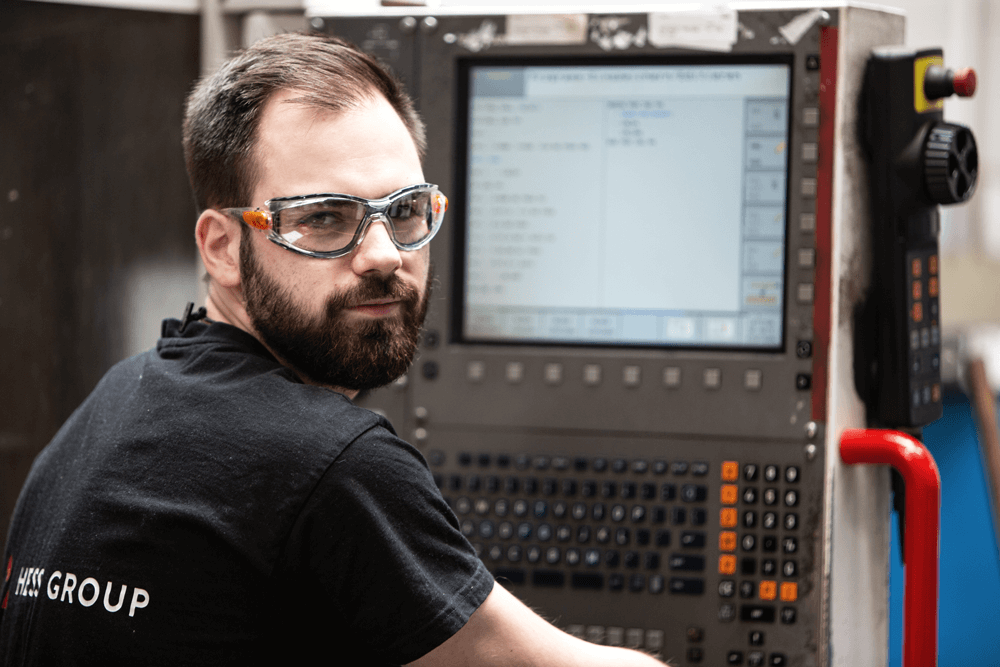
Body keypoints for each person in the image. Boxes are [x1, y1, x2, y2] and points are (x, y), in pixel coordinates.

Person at [0, 33, 664, 666]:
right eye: (323, 217)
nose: (384, 255)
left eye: (404, 211)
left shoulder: (113, 402)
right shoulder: (330, 464)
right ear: (222, 248)